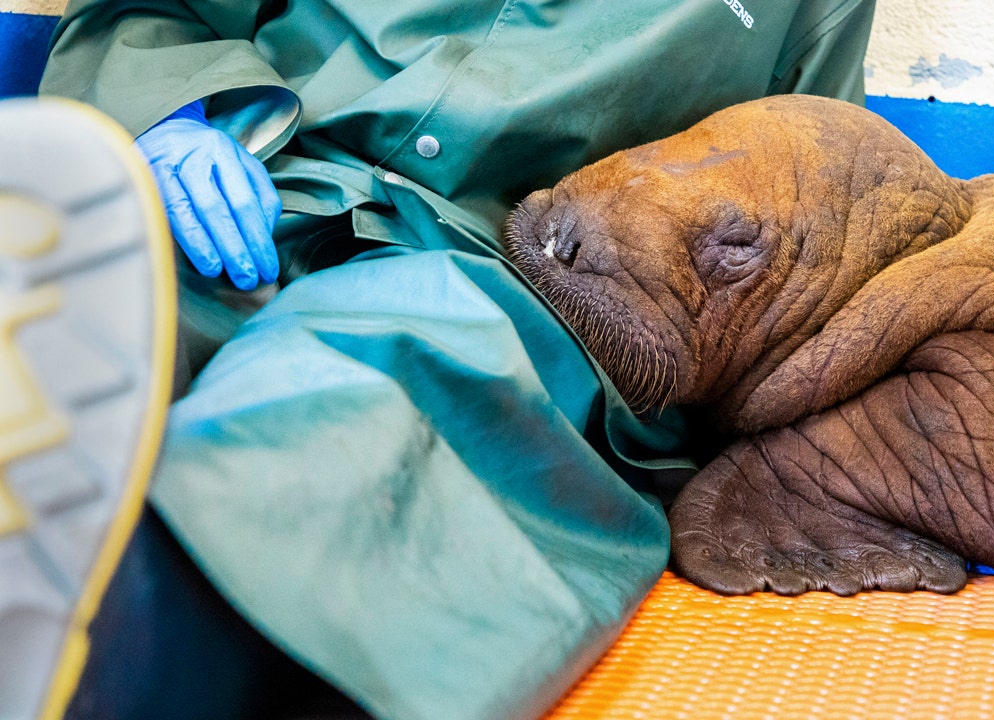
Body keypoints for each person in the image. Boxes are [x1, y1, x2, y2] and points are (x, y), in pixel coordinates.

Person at [2, 1, 877, 717]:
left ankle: (130, 636)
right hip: (257, 181)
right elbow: (152, 8)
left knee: (370, 370)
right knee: (89, 281)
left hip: (521, 273)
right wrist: (172, 118)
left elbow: (817, 211)